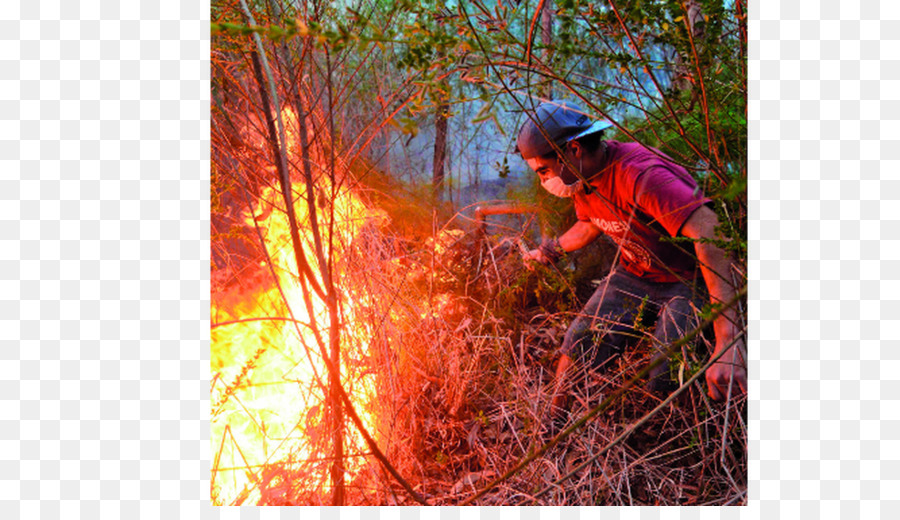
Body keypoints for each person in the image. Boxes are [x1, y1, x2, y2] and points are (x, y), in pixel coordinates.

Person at [516, 100, 746, 411]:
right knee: (580, 340)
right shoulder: (580, 179)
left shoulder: (640, 176)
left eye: (544, 170)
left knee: (666, 370)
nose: (544, 182)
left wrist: (728, 341)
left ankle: (675, 436)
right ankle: (553, 423)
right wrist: (549, 250)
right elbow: (589, 224)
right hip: (636, 273)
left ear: (573, 149)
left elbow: (713, 232)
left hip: (687, 279)